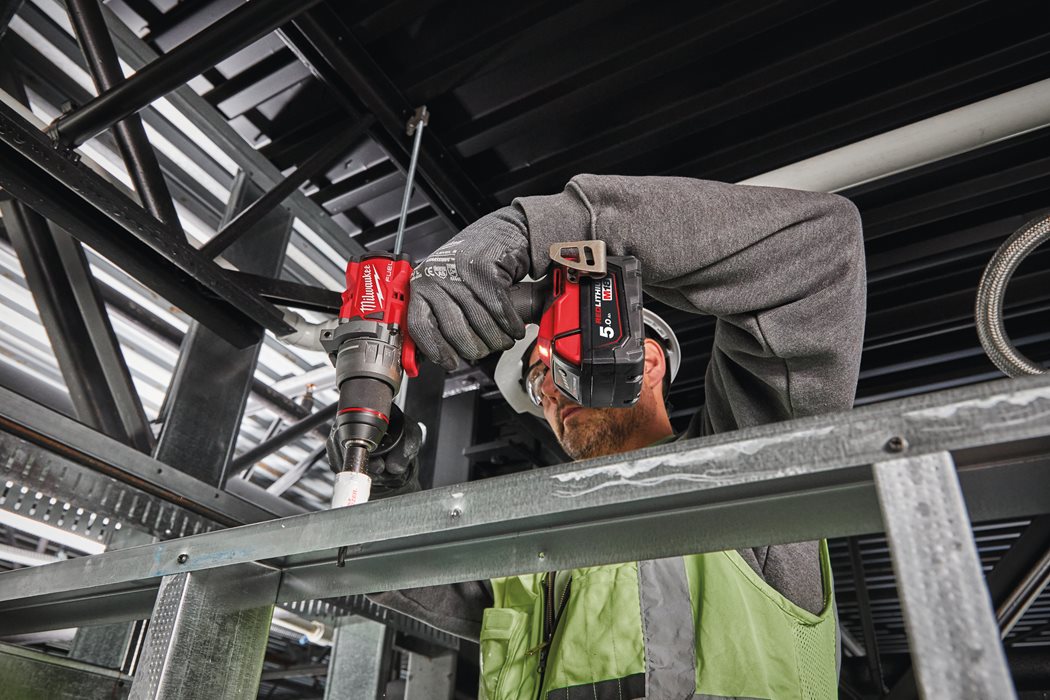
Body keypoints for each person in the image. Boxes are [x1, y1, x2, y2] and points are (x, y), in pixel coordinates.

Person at [363, 175, 866, 700]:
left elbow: (819, 249)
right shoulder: (532, 549)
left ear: (646, 361)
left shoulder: (747, 467)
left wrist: (545, 231)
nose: (550, 389)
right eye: (537, 380)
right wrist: (384, 483)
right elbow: (399, 573)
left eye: (564, 352)